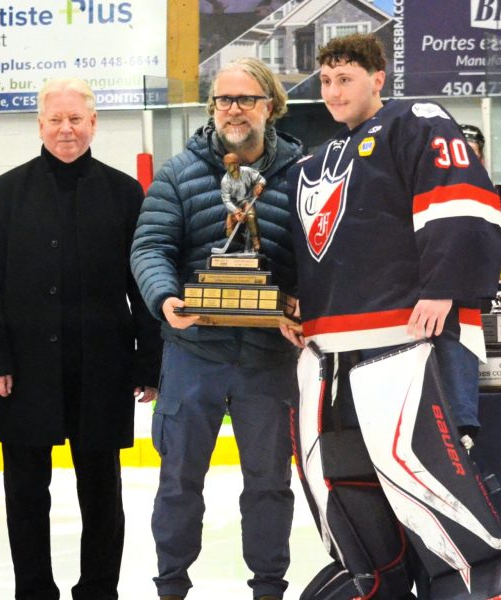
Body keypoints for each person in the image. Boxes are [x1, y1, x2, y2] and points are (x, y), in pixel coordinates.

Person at [281, 33, 501, 599]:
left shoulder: (417, 120)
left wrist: (445, 286)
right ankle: (375, 587)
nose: (334, 91)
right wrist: (291, 301)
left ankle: (474, 588)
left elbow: (461, 198)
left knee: (434, 491)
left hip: (410, 344)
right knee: (349, 494)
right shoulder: (315, 158)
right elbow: (313, 246)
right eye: (328, 81)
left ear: (378, 77)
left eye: (347, 78)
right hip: (331, 359)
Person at [0, 78, 162, 600]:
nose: (66, 129)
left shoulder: (125, 193)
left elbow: (141, 281)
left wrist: (150, 363)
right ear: (39, 125)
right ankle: (33, 589)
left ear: (94, 123)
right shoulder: (4, 192)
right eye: (56, 119)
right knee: (26, 493)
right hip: (24, 370)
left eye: (76, 119)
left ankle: (99, 589)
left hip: (103, 367)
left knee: (103, 492)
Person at [130, 57, 302, 600]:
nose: (233, 110)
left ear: (269, 106)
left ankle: (269, 587)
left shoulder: (302, 173)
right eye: (223, 100)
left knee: (270, 486)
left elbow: (318, 253)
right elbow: (151, 246)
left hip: (268, 355)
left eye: (245, 99)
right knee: (179, 483)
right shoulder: (180, 172)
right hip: (194, 351)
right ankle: (171, 587)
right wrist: (166, 297)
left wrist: (302, 300)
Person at [220, 152, 265, 253]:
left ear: (236, 164)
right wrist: (235, 211)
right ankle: (243, 242)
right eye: (225, 164)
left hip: (247, 202)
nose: (226, 167)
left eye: (229, 164)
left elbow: (261, 179)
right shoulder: (225, 181)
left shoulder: (247, 171)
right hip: (234, 206)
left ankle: (254, 240)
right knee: (229, 232)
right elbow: (226, 200)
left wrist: (260, 185)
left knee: (251, 216)